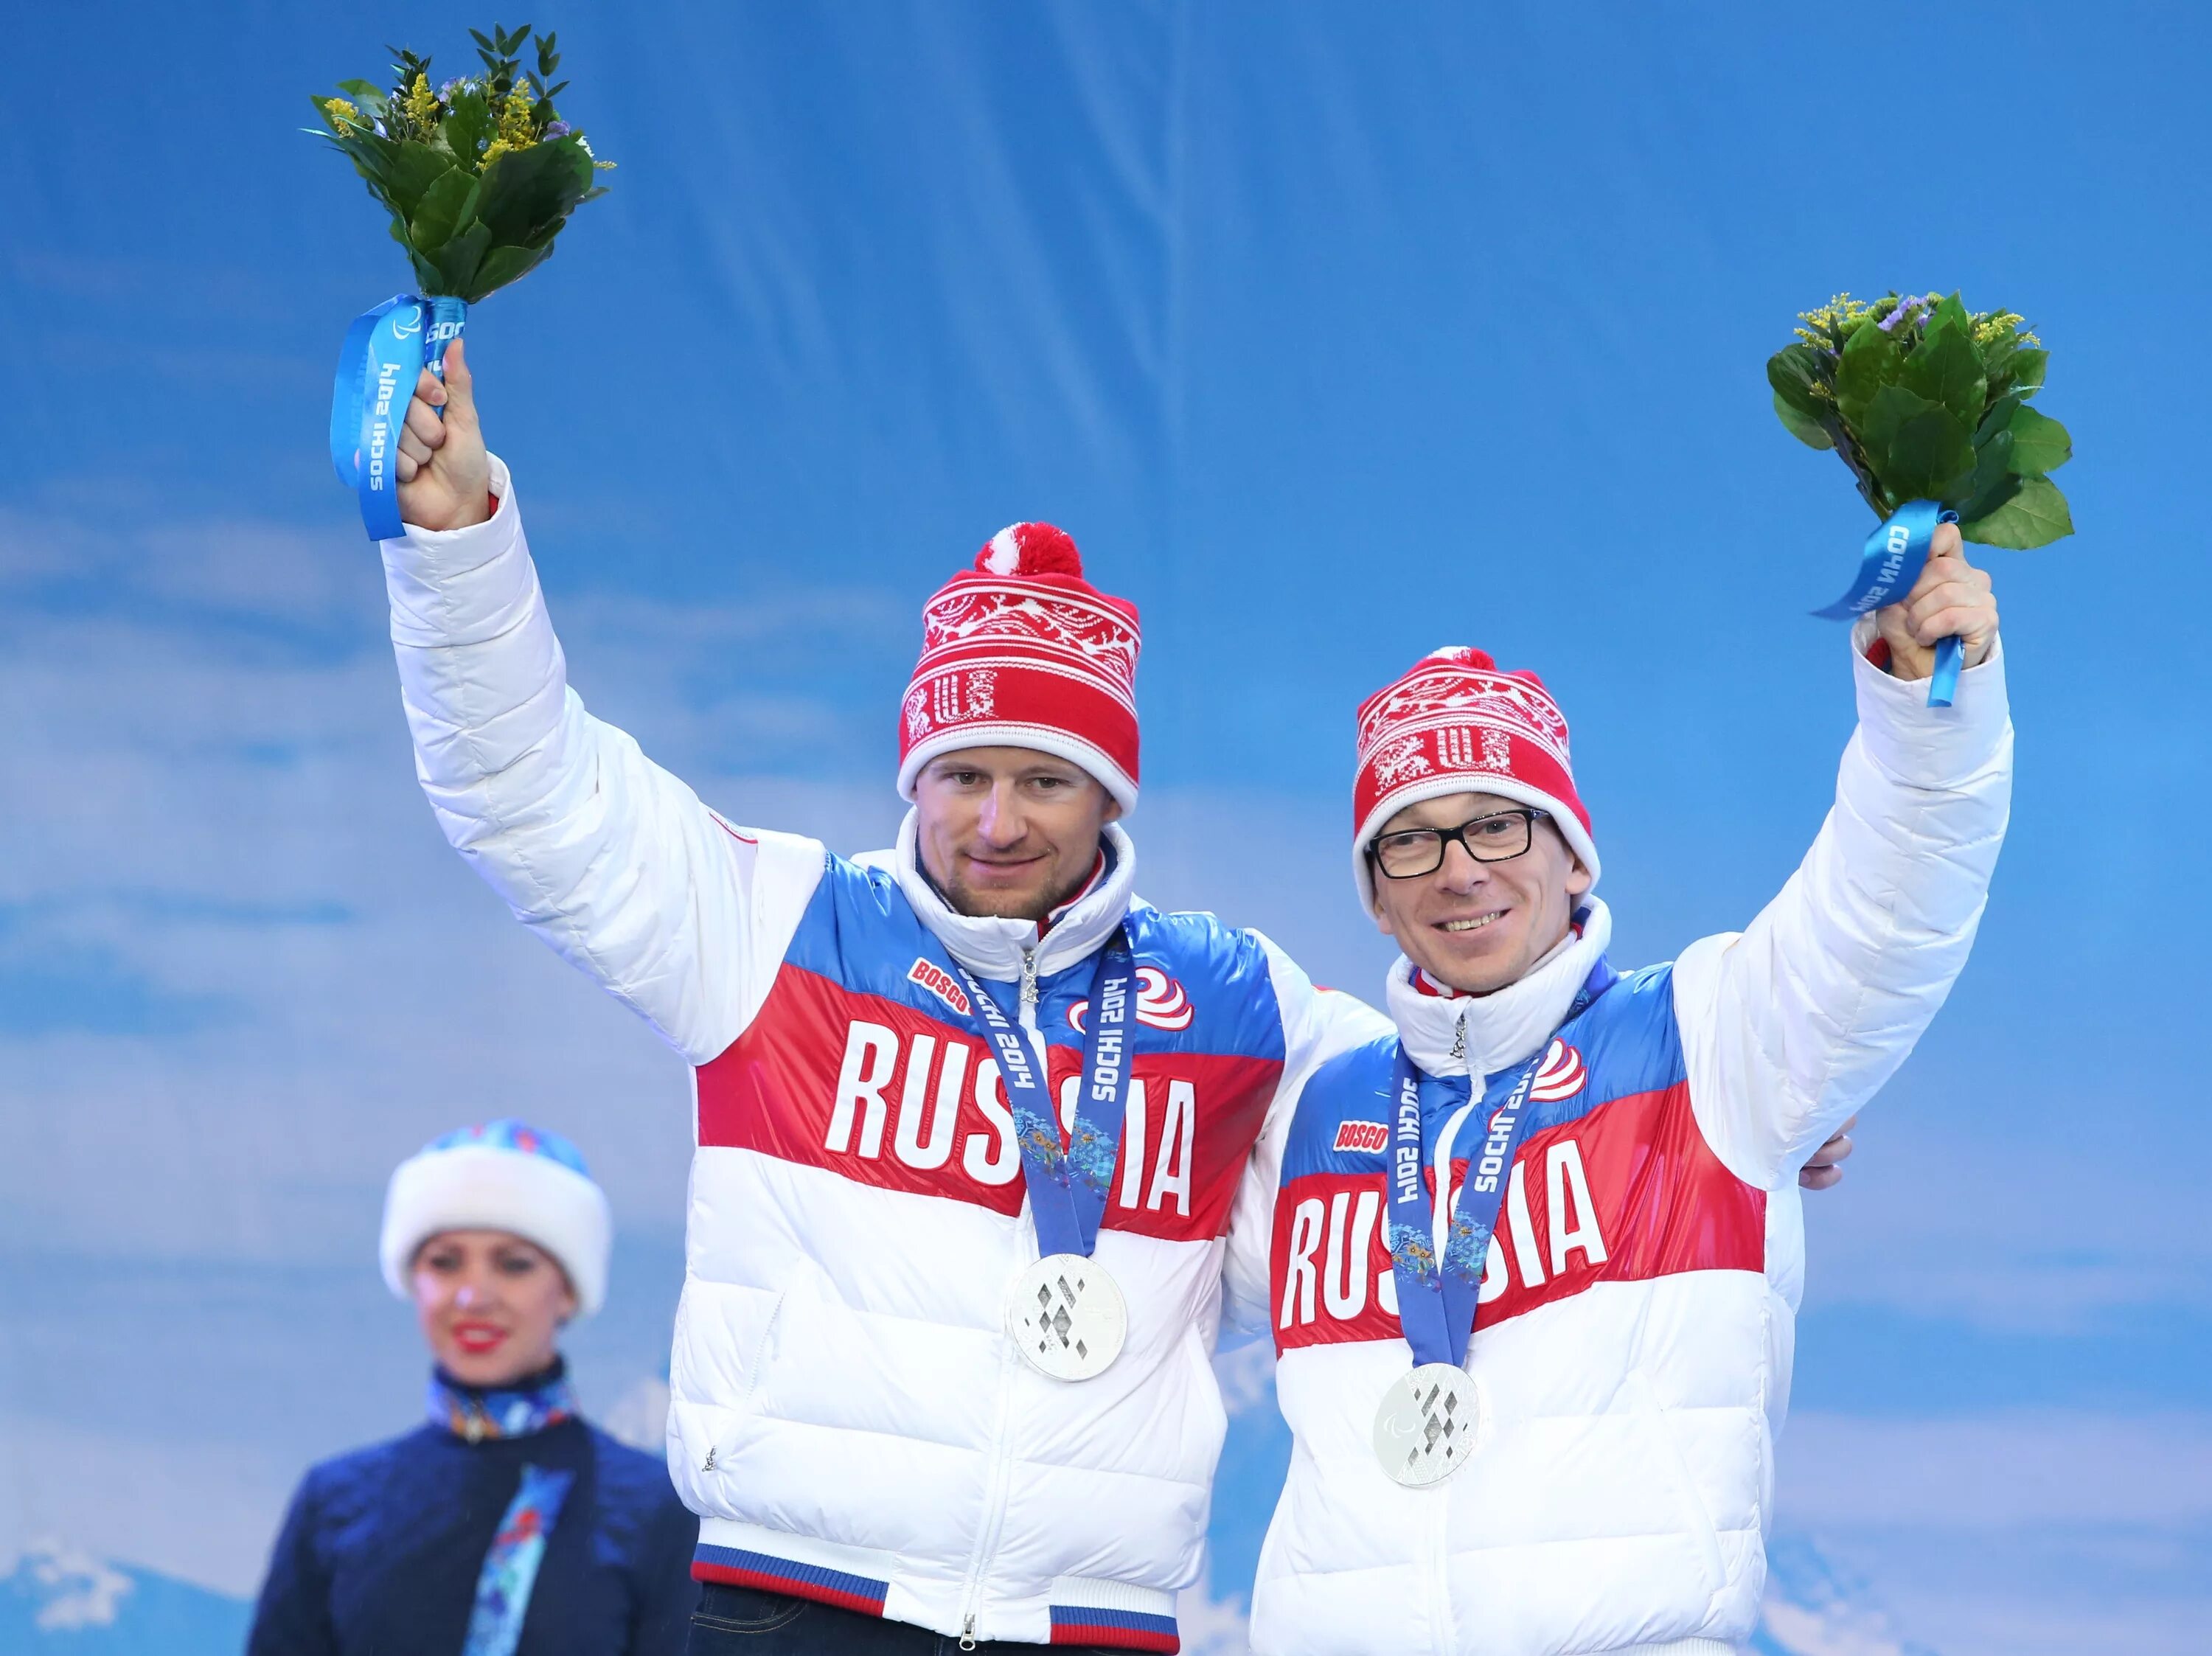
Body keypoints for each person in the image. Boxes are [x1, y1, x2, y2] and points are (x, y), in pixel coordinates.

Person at [378, 343, 1852, 1655]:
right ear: (914, 778)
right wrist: (457, 558)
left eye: (1044, 778)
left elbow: (1476, 1082)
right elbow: (534, 798)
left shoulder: (1238, 1003)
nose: (998, 821)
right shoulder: (779, 928)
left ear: (1111, 796)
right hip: (798, 1601)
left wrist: (1742, 1101)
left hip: (1093, 1627)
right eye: (962, 775)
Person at [1229, 534, 2009, 1654]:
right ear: (1375, 899)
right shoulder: (1317, 1113)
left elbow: (1889, 902)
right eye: (1407, 841)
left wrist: (1929, 702)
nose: (1458, 868)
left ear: (1576, 855)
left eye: (1497, 822)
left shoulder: (1712, 1040)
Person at [248, 1121, 698, 1656]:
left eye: (513, 1265)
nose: (473, 1297)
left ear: (569, 1291)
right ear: (412, 1278)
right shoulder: (336, 1503)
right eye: (444, 1262)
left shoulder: (655, 1510)